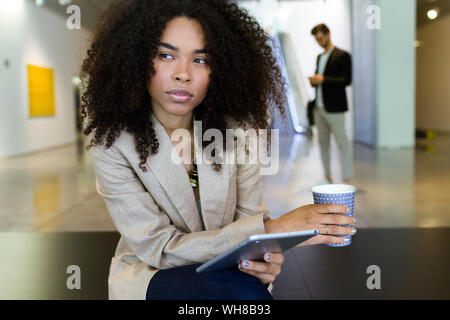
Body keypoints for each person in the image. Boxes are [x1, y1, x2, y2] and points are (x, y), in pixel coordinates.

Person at [80, 0, 356, 300]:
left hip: (230, 270)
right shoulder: (113, 142)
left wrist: (264, 258)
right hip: (152, 273)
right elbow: (158, 248)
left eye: (200, 60)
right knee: (242, 295)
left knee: (245, 291)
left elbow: (250, 217)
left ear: (219, 69)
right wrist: (268, 231)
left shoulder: (238, 130)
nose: (182, 73)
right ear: (134, 59)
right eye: (166, 55)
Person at [309, 23, 353, 184]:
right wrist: (314, 81)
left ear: (328, 34)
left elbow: (347, 80)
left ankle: (346, 178)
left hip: (335, 108)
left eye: (320, 38)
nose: (319, 42)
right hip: (319, 107)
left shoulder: (342, 55)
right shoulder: (320, 57)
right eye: (316, 40)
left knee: (342, 142)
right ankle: (327, 177)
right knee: (323, 143)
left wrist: (323, 79)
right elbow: (320, 79)